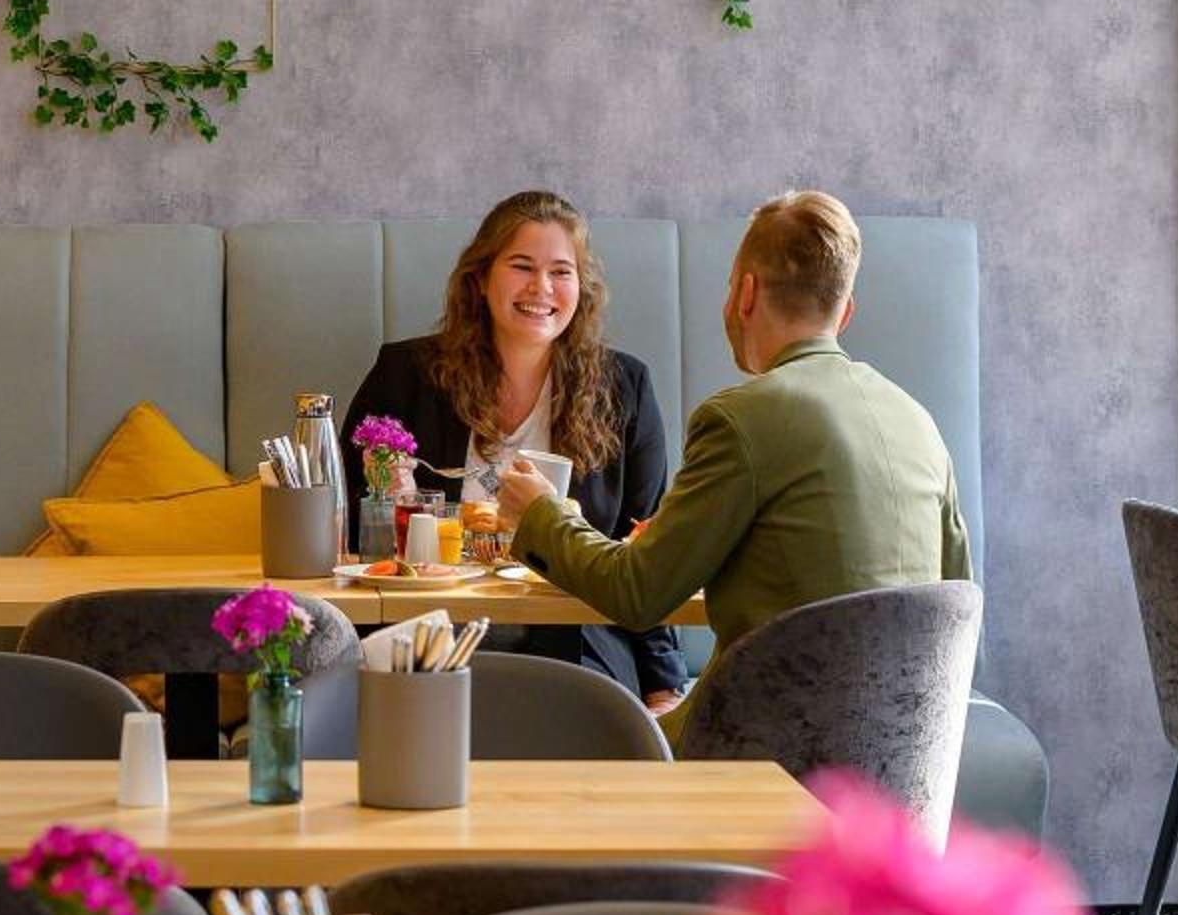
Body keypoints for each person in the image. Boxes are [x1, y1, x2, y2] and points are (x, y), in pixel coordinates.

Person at [495, 190, 970, 731]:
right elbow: (958, 601)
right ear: (845, 312)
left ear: (745, 294)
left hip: (769, 748)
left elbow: (637, 593)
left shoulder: (740, 419)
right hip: (907, 756)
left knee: (582, 737)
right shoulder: (918, 421)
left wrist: (541, 513)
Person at [342, 191, 686, 713]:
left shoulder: (624, 387)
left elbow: (646, 546)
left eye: (561, 272)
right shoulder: (406, 375)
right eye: (522, 266)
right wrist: (387, 502)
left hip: (575, 634)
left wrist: (663, 683)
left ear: (582, 287)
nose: (541, 288)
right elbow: (349, 527)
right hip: (431, 630)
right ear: (481, 278)